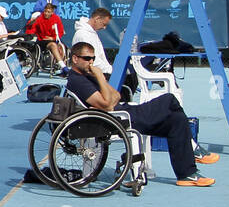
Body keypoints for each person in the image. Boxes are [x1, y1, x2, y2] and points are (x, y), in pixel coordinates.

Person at [64, 41, 218, 186]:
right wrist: (99, 77)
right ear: (75, 59)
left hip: (122, 111)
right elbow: (107, 104)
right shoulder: (78, 81)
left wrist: (101, 81)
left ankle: (186, 175)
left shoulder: (86, 76)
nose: (91, 62)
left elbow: (116, 96)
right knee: (169, 100)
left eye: (93, 58)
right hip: (119, 118)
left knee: (176, 121)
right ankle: (193, 148)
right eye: (87, 58)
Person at [71, 7, 114, 74]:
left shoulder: (92, 34)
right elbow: (90, 60)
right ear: (97, 19)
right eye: (104, 24)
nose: (104, 27)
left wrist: (110, 69)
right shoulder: (82, 35)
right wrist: (111, 71)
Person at [25, 1, 67, 69]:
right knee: (53, 45)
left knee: (61, 47)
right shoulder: (39, 18)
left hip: (53, 39)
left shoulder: (56, 19)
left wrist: (53, 38)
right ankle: (63, 66)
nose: (46, 13)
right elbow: (31, 28)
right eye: (45, 11)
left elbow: (61, 32)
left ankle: (60, 66)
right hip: (42, 41)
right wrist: (31, 21)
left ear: (52, 12)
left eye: (48, 12)